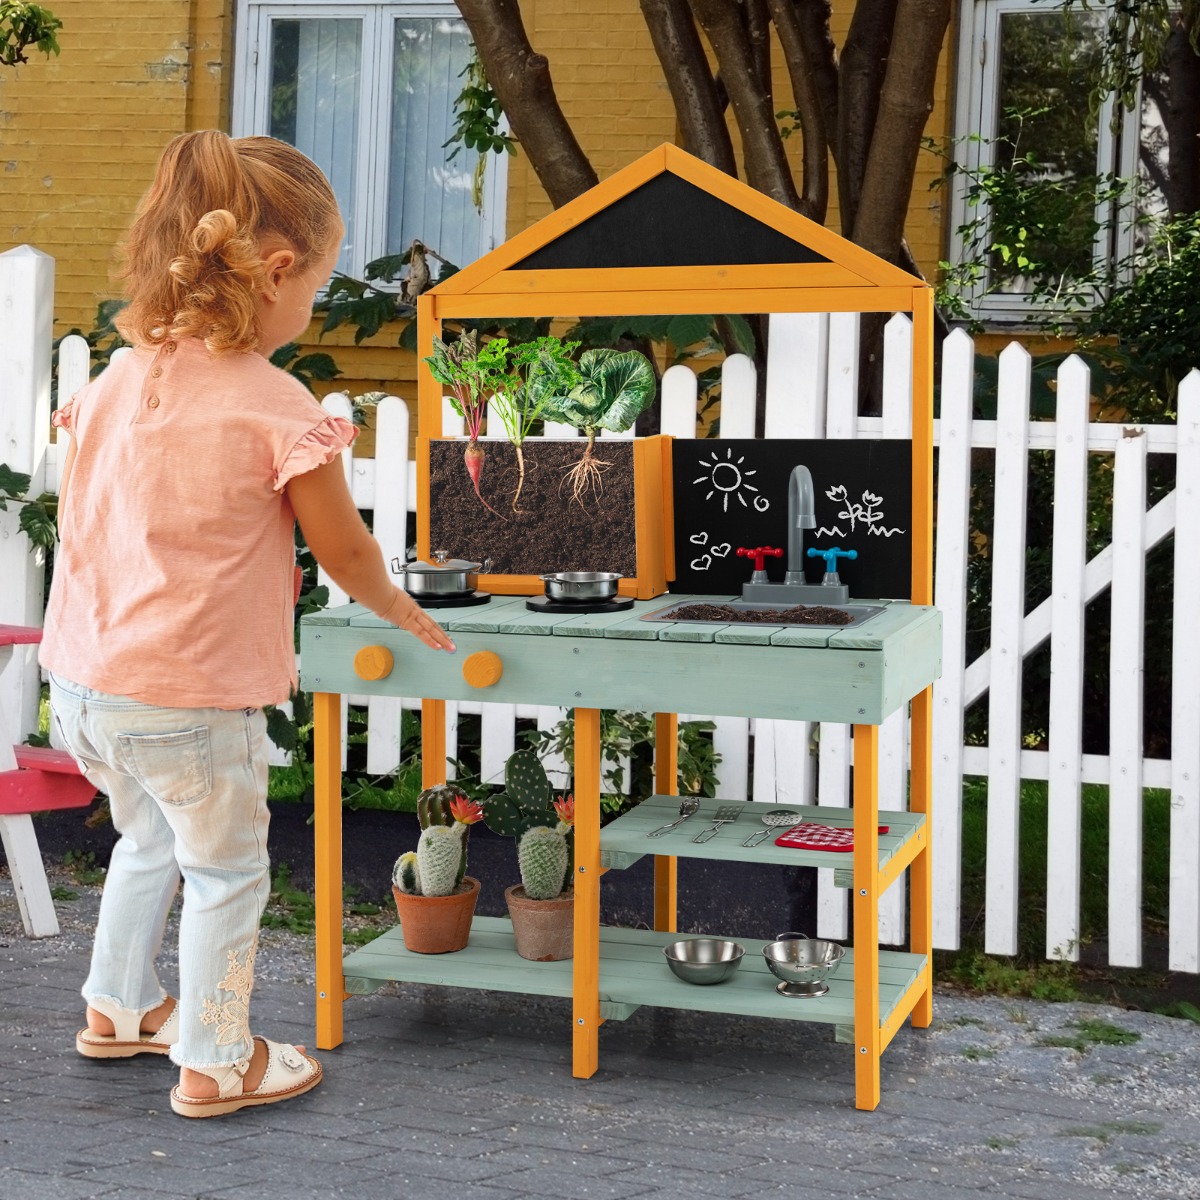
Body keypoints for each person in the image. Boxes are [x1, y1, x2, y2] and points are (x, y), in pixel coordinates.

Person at [38, 131, 455, 1118]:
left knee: (147, 841)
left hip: (89, 690)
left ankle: (120, 1007)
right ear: (275, 272)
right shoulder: (276, 405)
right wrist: (396, 604)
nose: (312, 304)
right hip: (192, 698)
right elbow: (345, 553)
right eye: (314, 284)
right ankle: (220, 1059)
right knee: (227, 872)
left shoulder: (112, 382)